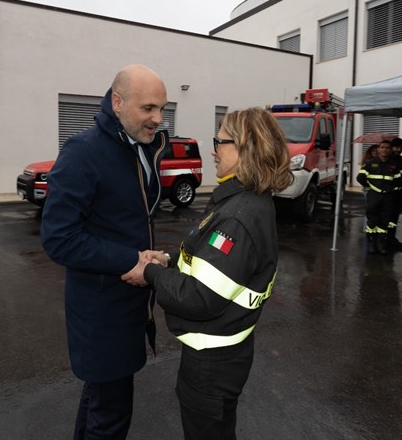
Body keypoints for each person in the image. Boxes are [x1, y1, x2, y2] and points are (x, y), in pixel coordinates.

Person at [122, 107, 291, 440]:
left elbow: (202, 297)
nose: (213, 149)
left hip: (211, 363)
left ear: (247, 148)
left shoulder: (237, 216)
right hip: (224, 353)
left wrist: (151, 274)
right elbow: (213, 269)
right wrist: (167, 261)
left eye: (220, 140)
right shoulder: (242, 201)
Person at [40, 64, 169, 439]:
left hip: (130, 307)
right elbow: (59, 238)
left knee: (100, 402)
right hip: (102, 314)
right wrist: (132, 259)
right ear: (118, 102)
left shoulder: (141, 147)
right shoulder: (84, 151)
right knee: (110, 416)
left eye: (161, 108)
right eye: (148, 108)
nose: (158, 119)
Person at [357, 140, 401, 255]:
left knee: (385, 220)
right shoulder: (370, 163)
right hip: (374, 195)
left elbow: (398, 179)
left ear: (390, 149)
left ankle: (380, 244)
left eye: (387, 147)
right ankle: (371, 243)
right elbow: (360, 178)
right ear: (378, 149)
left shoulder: (393, 164)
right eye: (382, 147)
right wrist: (369, 187)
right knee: (372, 219)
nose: (384, 149)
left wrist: (392, 189)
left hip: (388, 196)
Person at [387, 137, 402, 251]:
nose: (398, 150)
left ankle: (391, 238)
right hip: (388, 195)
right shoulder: (386, 160)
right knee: (386, 218)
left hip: (399, 195)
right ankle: (383, 240)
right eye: (396, 147)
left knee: (394, 220)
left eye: (401, 148)